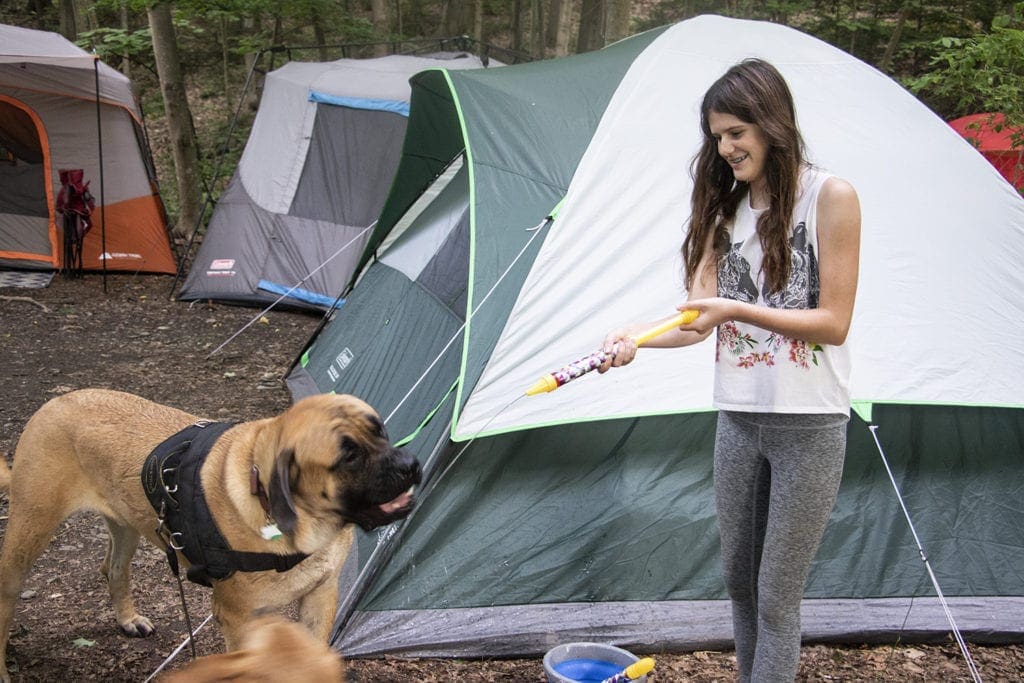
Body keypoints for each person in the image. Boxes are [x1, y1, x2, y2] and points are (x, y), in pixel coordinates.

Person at [599, 58, 861, 682]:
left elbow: (834, 322)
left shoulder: (832, 197)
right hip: (738, 420)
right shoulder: (725, 213)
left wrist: (740, 308)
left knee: (777, 596)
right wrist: (632, 338)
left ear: (772, 125)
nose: (726, 147)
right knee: (740, 587)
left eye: (737, 132)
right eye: (717, 136)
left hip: (810, 425)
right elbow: (695, 324)